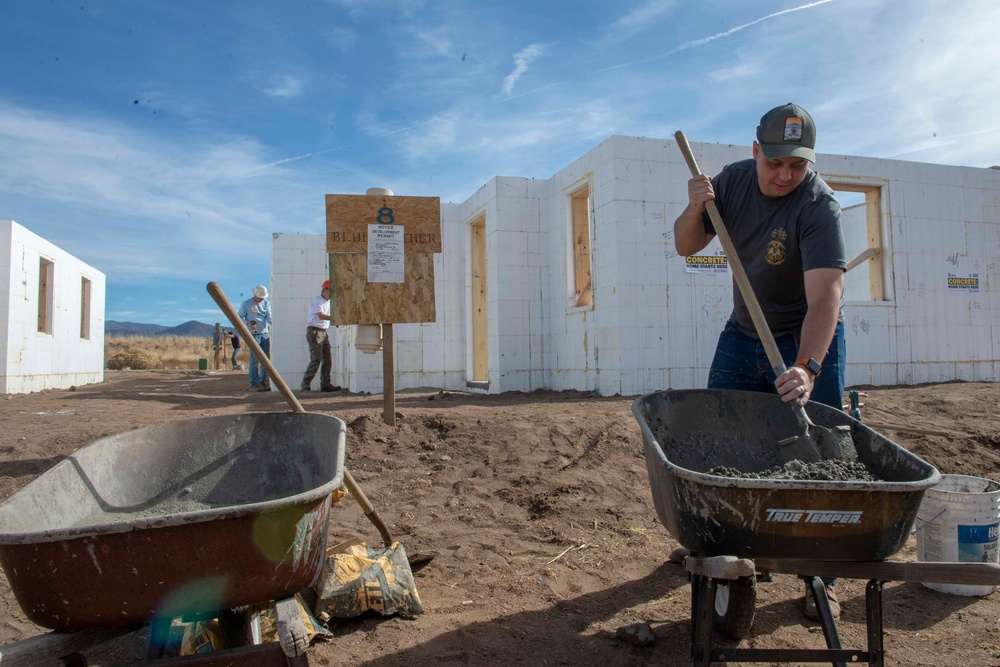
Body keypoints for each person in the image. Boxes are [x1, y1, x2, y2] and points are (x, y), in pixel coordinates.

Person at [673, 102, 847, 621]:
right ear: (757, 152)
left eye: (798, 165)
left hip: (805, 337)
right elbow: (687, 245)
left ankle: (823, 577)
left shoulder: (819, 205)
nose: (786, 175)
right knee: (715, 438)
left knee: (824, 455)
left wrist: (807, 368)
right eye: (776, 164)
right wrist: (694, 207)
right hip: (744, 330)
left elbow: (826, 297)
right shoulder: (730, 182)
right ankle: (721, 548)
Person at [301, 280, 341, 392]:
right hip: (315, 332)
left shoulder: (328, 302)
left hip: (323, 332)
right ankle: (305, 384)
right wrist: (335, 318)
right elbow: (321, 316)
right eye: (330, 291)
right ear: (324, 290)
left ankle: (325, 384)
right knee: (316, 359)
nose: (332, 294)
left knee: (327, 359)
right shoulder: (317, 300)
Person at [237, 284, 272, 391]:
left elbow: (269, 317)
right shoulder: (246, 304)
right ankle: (254, 383)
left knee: (265, 359)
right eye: (260, 297)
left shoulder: (266, 303)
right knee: (254, 359)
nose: (261, 299)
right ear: (255, 295)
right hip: (252, 335)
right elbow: (239, 317)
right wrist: (247, 323)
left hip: (264, 333)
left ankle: (263, 382)